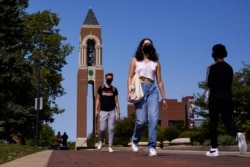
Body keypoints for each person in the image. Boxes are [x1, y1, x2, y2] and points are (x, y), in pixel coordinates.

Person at [205, 44, 247, 157]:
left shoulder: (211, 68)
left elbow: (208, 83)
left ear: (213, 54)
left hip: (215, 98)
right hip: (227, 97)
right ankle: (237, 133)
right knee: (228, 121)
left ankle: (214, 149)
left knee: (213, 123)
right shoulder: (229, 68)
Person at [127, 38, 167, 156]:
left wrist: (164, 97)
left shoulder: (156, 63)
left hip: (152, 90)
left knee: (154, 119)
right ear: (141, 46)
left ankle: (152, 147)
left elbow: (159, 81)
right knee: (141, 121)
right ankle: (135, 139)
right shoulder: (135, 60)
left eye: (149, 44)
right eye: (145, 44)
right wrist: (129, 91)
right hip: (139, 89)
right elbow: (130, 77)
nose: (147, 45)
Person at [95, 73, 120, 153]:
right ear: (105, 78)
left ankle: (110, 146)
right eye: (108, 78)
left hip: (112, 111)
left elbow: (116, 101)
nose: (109, 79)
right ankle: (101, 141)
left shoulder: (114, 89)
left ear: (112, 79)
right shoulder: (101, 88)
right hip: (103, 111)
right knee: (102, 129)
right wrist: (96, 110)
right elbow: (98, 99)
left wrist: (118, 112)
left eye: (111, 78)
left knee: (111, 129)